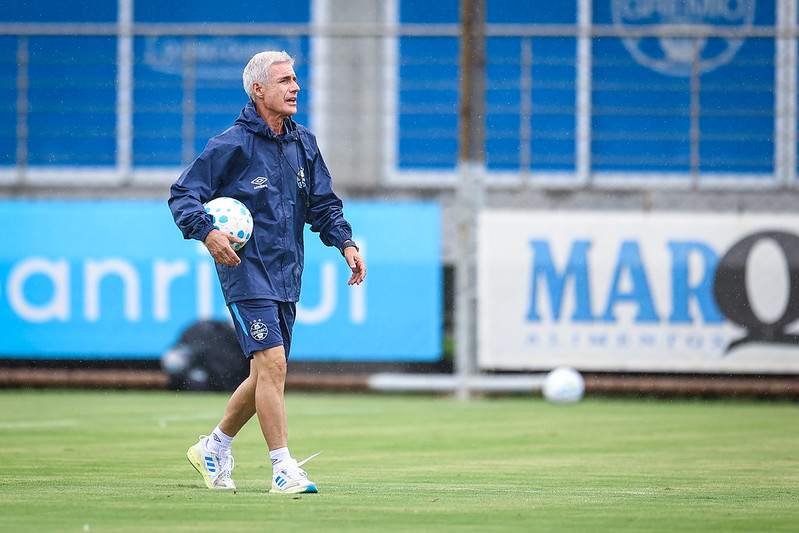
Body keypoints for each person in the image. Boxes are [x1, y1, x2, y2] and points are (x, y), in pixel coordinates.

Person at [168, 50, 366, 494]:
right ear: (258, 89)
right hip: (243, 272)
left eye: (296, 80)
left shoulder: (304, 144)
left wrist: (346, 242)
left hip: (287, 273)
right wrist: (207, 233)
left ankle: (213, 447)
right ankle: (283, 469)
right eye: (284, 81)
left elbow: (324, 206)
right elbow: (183, 196)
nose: (295, 88)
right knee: (273, 364)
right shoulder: (230, 145)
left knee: (265, 375)